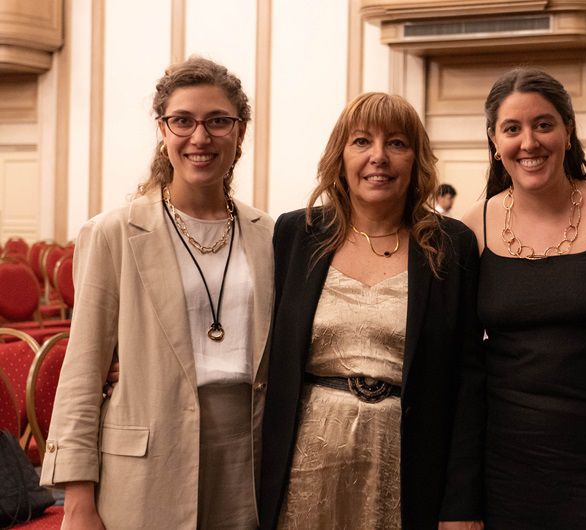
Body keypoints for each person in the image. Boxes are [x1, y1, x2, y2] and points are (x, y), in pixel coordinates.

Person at [40, 57, 274, 528]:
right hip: (147, 459)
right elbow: (84, 371)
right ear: (163, 130)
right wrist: (78, 500)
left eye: (218, 121)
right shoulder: (113, 233)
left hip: (248, 456)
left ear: (240, 131)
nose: (200, 137)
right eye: (182, 121)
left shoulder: (269, 235)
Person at [257, 92, 481, 529]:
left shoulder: (450, 245)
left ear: (416, 160)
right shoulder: (295, 235)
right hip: (306, 467)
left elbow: (470, 381)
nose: (378, 157)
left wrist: (463, 504)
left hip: (408, 466)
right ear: (340, 156)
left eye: (396, 143)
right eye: (362, 141)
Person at [446, 67, 586, 529]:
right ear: (494, 141)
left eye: (543, 124)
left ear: (569, 131)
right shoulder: (471, 227)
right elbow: (461, 367)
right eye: (512, 129)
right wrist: (460, 500)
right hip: (507, 471)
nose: (529, 142)